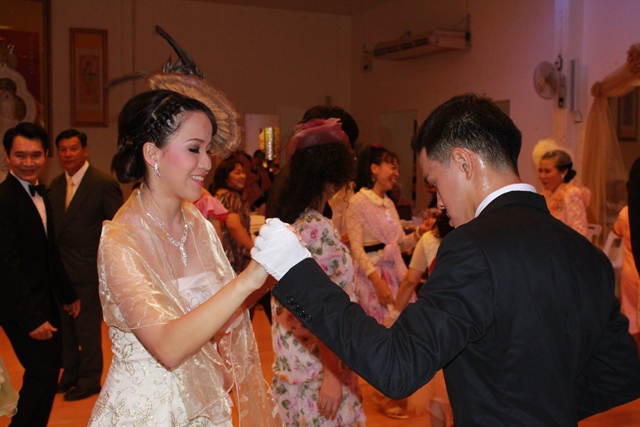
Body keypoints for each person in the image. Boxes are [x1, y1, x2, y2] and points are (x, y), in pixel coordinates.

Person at [251, 93, 640, 425]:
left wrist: (297, 270)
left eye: (435, 182)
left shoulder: (473, 247)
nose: (438, 201)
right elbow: (619, 374)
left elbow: (396, 365)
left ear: (464, 162)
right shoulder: (587, 255)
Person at [88, 90, 281, 426]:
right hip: (146, 413)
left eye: (208, 150)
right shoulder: (121, 240)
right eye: (194, 149)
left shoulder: (198, 224)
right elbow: (168, 346)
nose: (207, 163)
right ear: (152, 153)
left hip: (204, 403)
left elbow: (223, 310)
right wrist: (249, 277)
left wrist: (274, 270)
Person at [270, 118, 365, 426]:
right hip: (318, 375)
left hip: (293, 369)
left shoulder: (291, 224)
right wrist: (334, 377)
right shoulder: (318, 231)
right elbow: (325, 313)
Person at [0, 122, 80, 427]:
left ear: (46, 155)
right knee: (41, 372)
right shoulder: (4, 199)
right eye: (20, 155)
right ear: (7, 155)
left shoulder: (41, 195)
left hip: (45, 300)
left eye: (35, 155)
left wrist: (68, 294)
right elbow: (6, 266)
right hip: (19, 306)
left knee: (47, 372)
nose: (28, 162)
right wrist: (31, 319)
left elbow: (49, 251)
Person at [345, 144, 429, 419]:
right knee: (382, 335)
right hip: (372, 278)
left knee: (402, 331)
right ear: (374, 168)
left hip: (395, 275)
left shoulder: (389, 203)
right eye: (391, 166)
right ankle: (385, 391)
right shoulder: (358, 202)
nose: (396, 173)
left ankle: (389, 391)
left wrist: (419, 233)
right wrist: (376, 281)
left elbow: (399, 244)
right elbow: (357, 248)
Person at [48, 129, 124, 401]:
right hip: (60, 271)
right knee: (65, 330)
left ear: (85, 150)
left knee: (87, 329)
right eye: (63, 149)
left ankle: (90, 379)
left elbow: (116, 230)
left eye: (73, 148)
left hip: (88, 271)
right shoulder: (56, 185)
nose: (68, 154)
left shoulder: (102, 183)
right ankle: (70, 373)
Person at [533, 138, 591, 236]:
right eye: (540, 170)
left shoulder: (571, 194)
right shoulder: (546, 194)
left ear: (563, 172)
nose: (542, 176)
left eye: (547, 171)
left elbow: (579, 233)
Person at [613, 206, 640, 350]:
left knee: (630, 314)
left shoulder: (625, 212)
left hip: (630, 270)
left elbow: (616, 231)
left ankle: (636, 352)